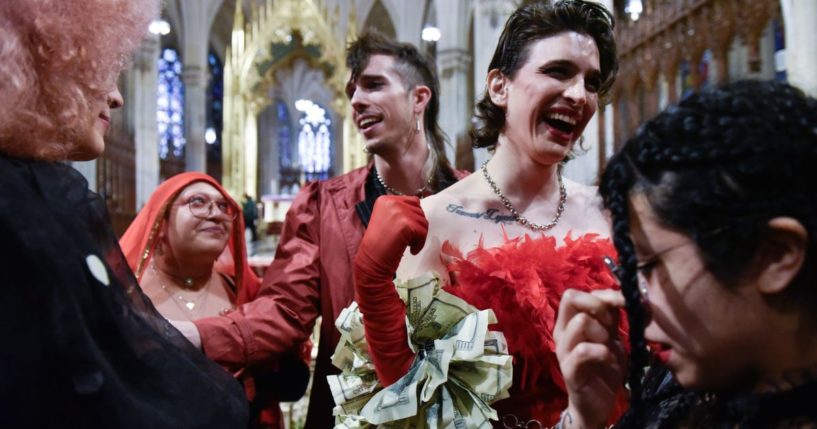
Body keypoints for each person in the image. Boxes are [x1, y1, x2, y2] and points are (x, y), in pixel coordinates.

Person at [346, 1, 628, 427]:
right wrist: (372, 287)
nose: (578, 95)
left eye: (591, 81)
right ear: (499, 87)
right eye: (557, 71)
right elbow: (407, 406)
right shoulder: (438, 221)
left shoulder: (608, 212)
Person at [169, 32, 466, 428]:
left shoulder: (472, 200)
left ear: (419, 99)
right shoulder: (323, 206)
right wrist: (188, 336)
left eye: (374, 85)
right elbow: (283, 310)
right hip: (349, 415)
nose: (357, 100)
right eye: (352, 90)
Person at [0, 1, 248, 428]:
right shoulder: (22, 212)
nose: (116, 96)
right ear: (44, 59)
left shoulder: (35, 190)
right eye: (100, 68)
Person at [554, 80, 817, 428]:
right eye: (628, 270)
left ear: (774, 256)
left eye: (648, 265)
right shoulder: (682, 394)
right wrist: (584, 416)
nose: (635, 302)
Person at [119, 172, 307, 428]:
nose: (216, 213)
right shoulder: (124, 294)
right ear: (160, 223)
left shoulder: (247, 291)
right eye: (198, 202)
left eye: (222, 206)